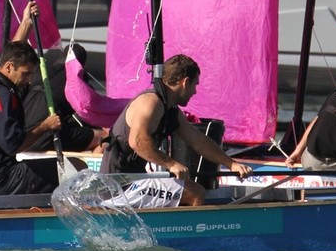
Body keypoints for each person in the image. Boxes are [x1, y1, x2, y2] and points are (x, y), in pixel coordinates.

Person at [100, 53, 253, 207]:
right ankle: (196, 230)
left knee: (182, 187)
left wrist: (231, 164)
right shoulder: (151, 102)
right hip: (118, 186)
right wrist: (171, 164)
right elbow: (138, 142)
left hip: (133, 180)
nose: (195, 92)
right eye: (195, 84)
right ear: (185, 82)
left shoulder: (171, 110)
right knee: (195, 192)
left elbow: (198, 141)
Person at [0, 40, 62, 195]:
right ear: (9, 67)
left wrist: (26, 22)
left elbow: (10, 52)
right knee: (74, 167)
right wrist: (46, 126)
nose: (29, 80)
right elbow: (15, 146)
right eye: (26, 74)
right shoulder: (2, 98)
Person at [13, 2, 108, 152]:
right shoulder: (77, 82)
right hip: (45, 136)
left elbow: (13, 54)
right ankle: (94, 172)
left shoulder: (37, 73)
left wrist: (26, 22)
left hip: (22, 137)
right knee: (103, 137)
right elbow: (92, 111)